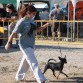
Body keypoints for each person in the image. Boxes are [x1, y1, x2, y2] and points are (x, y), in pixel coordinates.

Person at [5, 5, 50, 83]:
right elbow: (13, 33)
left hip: (32, 45)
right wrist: (8, 43)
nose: (34, 15)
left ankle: (19, 77)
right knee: (34, 62)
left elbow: (37, 30)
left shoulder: (31, 21)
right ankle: (41, 79)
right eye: (33, 13)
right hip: (24, 45)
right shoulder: (21, 21)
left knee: (25, 63)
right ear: (28, 12)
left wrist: (45, 25)